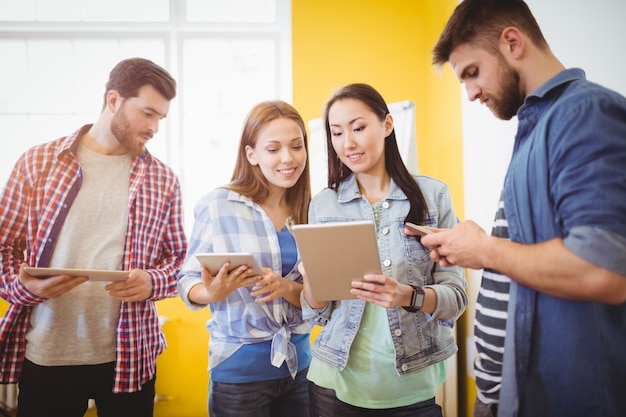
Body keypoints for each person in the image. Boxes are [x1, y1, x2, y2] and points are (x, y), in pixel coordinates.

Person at [427, 1, 626, 416]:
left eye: (472, 73)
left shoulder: (585, 113)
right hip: (510, 395)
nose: (471, 93)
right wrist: (472, 246)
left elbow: (604, 269)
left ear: (512, 42)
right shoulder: (536, 127)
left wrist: (483, 251)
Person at [0, 57, 187, 417]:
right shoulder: (36, 163)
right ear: (114, 100)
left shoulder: (163, 180)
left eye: (160, 118)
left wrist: (152, 281)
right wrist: (26, 289)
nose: (154, 128)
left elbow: (181, 261)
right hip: (48, 353)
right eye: (148, 113)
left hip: (130, 356)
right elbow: (3, 248)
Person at [300, 83, 467, 417]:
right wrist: (311, 280)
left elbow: (456, 298)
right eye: (336, 133)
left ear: (387, 125)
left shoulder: (433, 197)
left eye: (358, 128)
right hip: (334, 382)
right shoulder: (324, 204)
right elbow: (316, 313)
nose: (347, 143)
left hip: (411, 388)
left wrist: (408, 296)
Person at [177, 100, 314, 417]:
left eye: (296, 146)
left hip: (301, 370)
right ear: (251, 154)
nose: (287, 158)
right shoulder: (218, 204)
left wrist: (284, 287)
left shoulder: (312, 210)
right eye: (273, 149)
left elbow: (317, 294)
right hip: (239, 375)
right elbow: (187, 279)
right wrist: (210, 293)